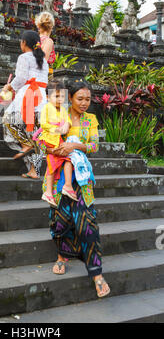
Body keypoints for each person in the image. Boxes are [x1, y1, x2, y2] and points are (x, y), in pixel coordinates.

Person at [43, 81, 110, 298]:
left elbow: (94, 145)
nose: (84, 103)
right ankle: (62, 257)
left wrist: (75, 146)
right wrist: (56, 148)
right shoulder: (57, 111)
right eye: (79, 98)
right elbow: (44, 138)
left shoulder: (90, 119)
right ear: (70, 97)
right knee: (60, 219)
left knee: (87, 222)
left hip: (82, 179)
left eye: (88, 99)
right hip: (59, 176)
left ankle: (97, 274)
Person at [2, 31, 49, 179]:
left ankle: (25, 144)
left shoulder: (24, 57)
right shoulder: (43, 60)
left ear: (23, 42)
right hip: (41, 97)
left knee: (8, 120)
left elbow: (21, 77)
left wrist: (9, 87)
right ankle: (34, 170)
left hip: (27, 94)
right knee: (36, 133)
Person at [34, 80, 74, 207]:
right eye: (56, 96)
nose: (59, 99)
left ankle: (67, 185)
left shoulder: (62, 110)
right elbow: (44, 124)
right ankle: (48, 191)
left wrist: (66, 125)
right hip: (50, 139)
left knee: (68, 159)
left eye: (62, 96)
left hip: (58, 140)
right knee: (52, 164)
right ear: (47, 96)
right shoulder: (46, 108)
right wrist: (56, 128)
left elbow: (68, 121)